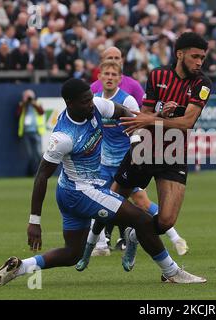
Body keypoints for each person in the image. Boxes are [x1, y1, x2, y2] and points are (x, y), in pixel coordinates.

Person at [0, 79, 206, 287]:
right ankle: (172, 272)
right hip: (81, 192)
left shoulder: (96, 106)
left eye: (91, 98)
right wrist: (34, 221)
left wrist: (135, 136)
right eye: (85, 101)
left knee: (73, 253)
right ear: (69, 103)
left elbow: (122, 112)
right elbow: (42, 175)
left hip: (73, 190)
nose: (91, 104)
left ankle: (21, 267)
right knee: (141, 219)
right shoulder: (62, 137)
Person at [113, 32, 212, 272]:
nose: (200, 62)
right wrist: (157, 117)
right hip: (146, 148)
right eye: (195, 57)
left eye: (203, 58)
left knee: (167, 220)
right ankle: (90, 245)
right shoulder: (157, 75)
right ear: (180, 54)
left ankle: (136, 235)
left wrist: (155, 119)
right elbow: (145, 116)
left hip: (174, 151)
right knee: (111, 201)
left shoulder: (202, 84)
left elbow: (187, 122)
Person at [77, 61, 188, 264]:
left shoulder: (127, 101)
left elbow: (140, 127)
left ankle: (175, 237)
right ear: (99, 77)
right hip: (103, 164)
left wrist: (137, 154)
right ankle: (93, 249)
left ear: (120, 79)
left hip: (126, 159)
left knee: (142, 202)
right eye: (106, 74)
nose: (109, 77)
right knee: (100, 207)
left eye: (114, 74)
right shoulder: (94, 102)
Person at [90, 46, 146, 249]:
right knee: (103, 199)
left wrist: (137, 148)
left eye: (117, 58)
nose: (111, 76)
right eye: (109, 59)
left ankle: (164, 234)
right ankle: (101, 244)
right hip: (104, 158)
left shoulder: (132, 88)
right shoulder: (93, 91)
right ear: (101, 68)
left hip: (126, 155)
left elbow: (142, 116)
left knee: (136, 201)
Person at [16, 89, 45, 176]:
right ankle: (33, 172)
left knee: (38, 153)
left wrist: (33, 103)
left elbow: (41, 112)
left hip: (36, 131)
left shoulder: (37, 104)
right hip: (26, 132)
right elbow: (17, 114)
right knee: (30, 155)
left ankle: (42, 172)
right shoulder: (22, 105)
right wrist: (24, 103)